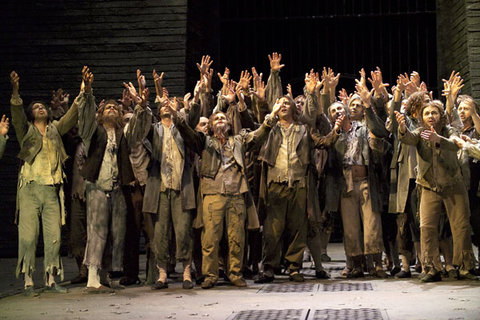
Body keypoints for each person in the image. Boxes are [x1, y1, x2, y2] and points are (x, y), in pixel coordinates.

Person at [173, 84, 279, 289]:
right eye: (217, 119)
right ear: (211, 126)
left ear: (229, 125)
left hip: (236, 195)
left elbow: (258, 135)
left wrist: (271, 117)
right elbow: (187, 132)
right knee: (210, 238)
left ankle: (234, 273)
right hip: (212, 195)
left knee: (236, 238)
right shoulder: (203, 141)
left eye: (223, 118)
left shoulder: (238, 140)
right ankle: (210, 275)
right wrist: (177, 117)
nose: (220, 120)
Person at [10, 69, 83, 296]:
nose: (40, 108)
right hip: (30, 189)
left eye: (43, 107)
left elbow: (71, 115)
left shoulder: (55, 130)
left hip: (52, 190)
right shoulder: (27, 131)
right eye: (36, 108)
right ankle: (29, 281)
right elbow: (17, 115)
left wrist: (83, 91)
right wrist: (15, 91)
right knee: (29, 237)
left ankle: (51, 280)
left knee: (54, 238)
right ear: (32, 115)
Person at [124, 73, 199, 290]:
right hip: (160, 188)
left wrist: (180, 112)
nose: (167, 105)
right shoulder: (154, 130)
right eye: (164, 104)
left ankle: (186, 271)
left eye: (171, 103)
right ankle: (162, 273)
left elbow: (192, 123)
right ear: (158, 110)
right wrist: (141, 104)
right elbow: (136, 133)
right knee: (160, 233)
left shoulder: (182, 129)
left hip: (181, 188)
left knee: (183, 231)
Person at [395, 101, 477, 282]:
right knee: (426, 227)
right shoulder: (420, 132)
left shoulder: (449, 130)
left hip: (453, 184)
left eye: (434, 113)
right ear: (422, 117)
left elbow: (456, 144)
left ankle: (465, 267)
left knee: (461, 226)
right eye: (426, 113)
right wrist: (402, 128)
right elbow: (408, 138)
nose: (430, 116)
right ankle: (432, 268)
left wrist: (438, 139)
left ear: (441, 115)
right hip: (428, 185)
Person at [78, 67, 135, 292]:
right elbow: (84, 119)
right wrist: (88, 92)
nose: (111, 109)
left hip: (117, 187)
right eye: (108, 107)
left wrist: (138, 105)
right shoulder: (95, 131)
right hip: (97, 186)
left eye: (115, 107)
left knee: (116, 232)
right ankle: (92, 277)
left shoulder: (122, 133)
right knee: (97, 230)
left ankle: (105, 275)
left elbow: (139, 129)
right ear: (101, 113)